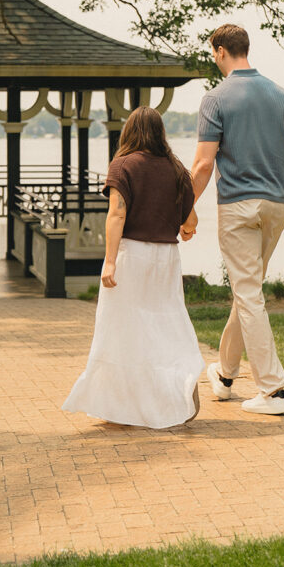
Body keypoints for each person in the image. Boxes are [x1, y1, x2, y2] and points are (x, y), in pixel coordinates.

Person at [190, 24, 284, 415]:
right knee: (249, 291)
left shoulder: (215, 99)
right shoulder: (283, 95)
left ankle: (273, 391)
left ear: (221, 51)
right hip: (277, 206)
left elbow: (204, 163)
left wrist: (184, 207)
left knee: (248, 293)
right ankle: (224, 375)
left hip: (238, 208)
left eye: (213, 53)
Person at [63, 106, 205, 429]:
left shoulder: (123, 165)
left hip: (132, 256)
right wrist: (185, 228)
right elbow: (191, 219)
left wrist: (109, 260)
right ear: (160, 134)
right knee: (167, 322)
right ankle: (179, 384)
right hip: (166, 259)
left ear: (129, 132)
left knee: (123, 330)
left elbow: (117, 214)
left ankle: (123, 403)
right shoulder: (176, 169)